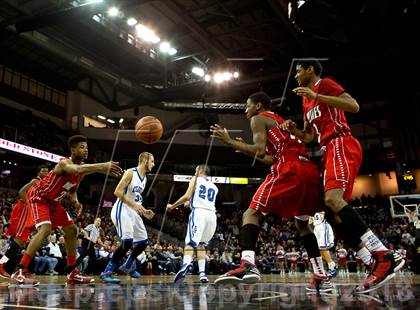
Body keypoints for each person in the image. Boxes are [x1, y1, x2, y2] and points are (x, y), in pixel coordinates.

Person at [281, 59, 404, 293]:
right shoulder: (306, 99)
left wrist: (318, 97)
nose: (295, 76)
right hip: (327, 150)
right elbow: (308, 138)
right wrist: (293, 129)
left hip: (340, 142)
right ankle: (372, 260)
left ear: (310, 70)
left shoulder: (324, 85)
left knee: (332, 201)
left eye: (298, 71)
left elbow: (353, 106)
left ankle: (384, 255)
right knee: (333, 212)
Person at [211, 91, 332, 292]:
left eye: (248, 105)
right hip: (309, 170)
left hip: (289, 168)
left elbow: (259, 151)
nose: (246, 109)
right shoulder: (280, 121)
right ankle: (321, 276)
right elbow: (268, 157)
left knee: (251, 213)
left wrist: (229, 141)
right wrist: (243, 147)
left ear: (258, 106)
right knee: (302, 224)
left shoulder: (259, 118)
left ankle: (248, 264)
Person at [10, 135, 122, 286]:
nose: (85, 151)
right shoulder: (64, 163)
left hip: (54, 203)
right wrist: (102, 166)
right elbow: (75, 168)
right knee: (45, 229)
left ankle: (72, 272)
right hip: (39, 197)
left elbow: (72, 189)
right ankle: (20, 270)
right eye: (82, 148)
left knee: (72, 230)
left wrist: (75, 201)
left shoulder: (80, 173)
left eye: (87, 148)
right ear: (73, 150)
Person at [100, 152, 155, 283]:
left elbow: (136, 200)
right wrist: (134, 205)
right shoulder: (131, 172)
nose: (154, 164)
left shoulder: (145, 178)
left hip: (133, 211)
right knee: (128, 241)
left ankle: (127, 266)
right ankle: (106, 272)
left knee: (143, 242)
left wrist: (144, 211)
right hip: (122, 209)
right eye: (152, 161)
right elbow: (117, 192)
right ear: (145, 160)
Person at [166, 164, 219, 284]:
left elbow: (187, 196)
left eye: (195, 171)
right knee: (201, 245)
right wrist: (190, 203)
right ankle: (202, 274)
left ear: (200, 171)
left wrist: (172, 206)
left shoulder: (195, 179)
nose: (194, 173)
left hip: (199, 213)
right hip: (211, 216)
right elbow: (202, 199)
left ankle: (185, 265)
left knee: (190, 243)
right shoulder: (214, 187)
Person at [0, 165, 49, 278]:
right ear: (39, 172)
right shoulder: (35, 181)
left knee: (21, 241)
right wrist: (31, 205)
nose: (46, 173)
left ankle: (6, 264)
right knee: (19, 239)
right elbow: (21, 192)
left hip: (29, 211)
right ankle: (2, 264)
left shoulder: (44, 184)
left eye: (47, 171)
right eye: (43, 171)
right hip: (24, 209)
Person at [311, 212, 337, 277]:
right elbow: (310, 222)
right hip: (315, 228)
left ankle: (332, 267)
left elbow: (324, 211)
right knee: (320, 250)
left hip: (322, 227)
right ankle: (329, 265)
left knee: (323, 248)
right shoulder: (308, 209)